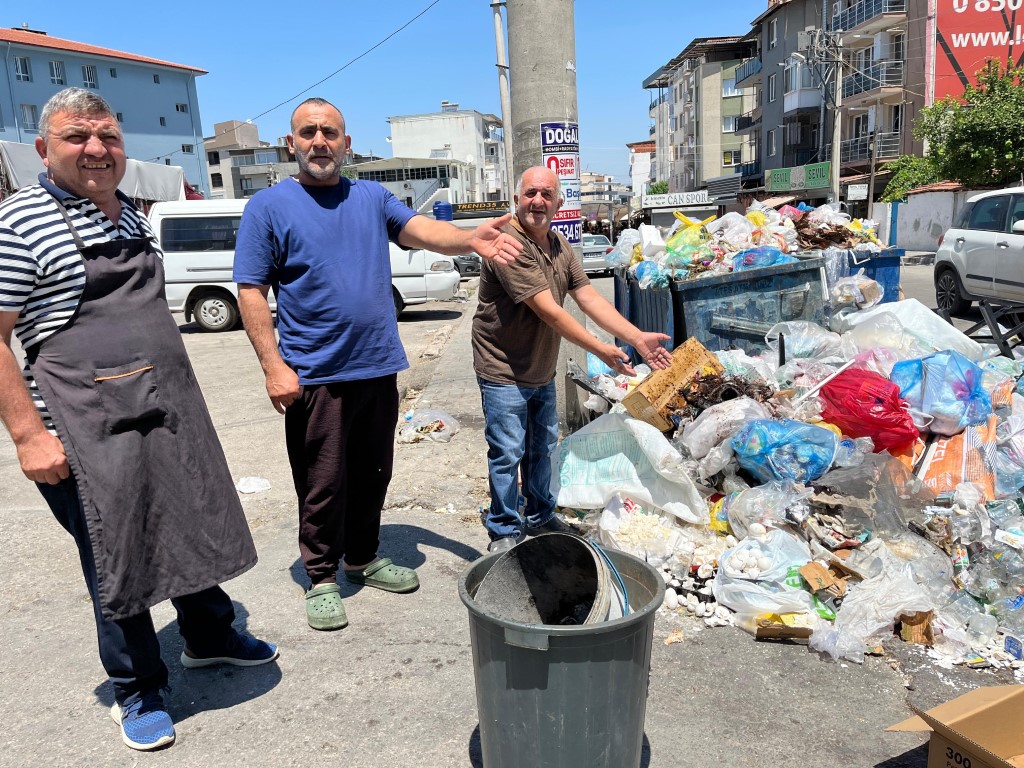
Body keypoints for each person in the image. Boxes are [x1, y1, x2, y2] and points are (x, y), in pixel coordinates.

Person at [0, 89, 278, 752]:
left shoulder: (130, 213)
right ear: (43, 149)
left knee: (186, 518)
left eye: (108, 136)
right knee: (116, 553)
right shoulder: (18, 223)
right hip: (84, 428)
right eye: (77, 137)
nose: (96, 149)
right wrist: (29, 436)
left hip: (165, 406)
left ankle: (208, 636)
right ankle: (136, 687)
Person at [233, 97, 522, 632]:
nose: (320, 141)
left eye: (330, 132)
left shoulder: (370, 197)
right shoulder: (268, 207)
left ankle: (361, 558)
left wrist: (469, 238)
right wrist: (274, 367)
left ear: (346, 143)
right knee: (322, 481)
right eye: (308, 132)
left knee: (373, 474)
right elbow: (251, 290)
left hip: (376, 366)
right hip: (315, 372)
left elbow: (419, 230)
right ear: (291, 143)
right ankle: (321, 575)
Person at [473, 166, 673, 552]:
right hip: (502, 367)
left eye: (547, 195)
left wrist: (636, 337)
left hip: (540, 365)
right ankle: (504, 529)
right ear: (516, 200)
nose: (538, 201)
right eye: (531, 193)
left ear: (558, 204)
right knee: (507, 451)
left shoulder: (559, 245)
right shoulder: (507, 244)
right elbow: (550, 312)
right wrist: (601, 349)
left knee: (542, 446)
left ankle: (539, 514)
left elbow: (587, 296)